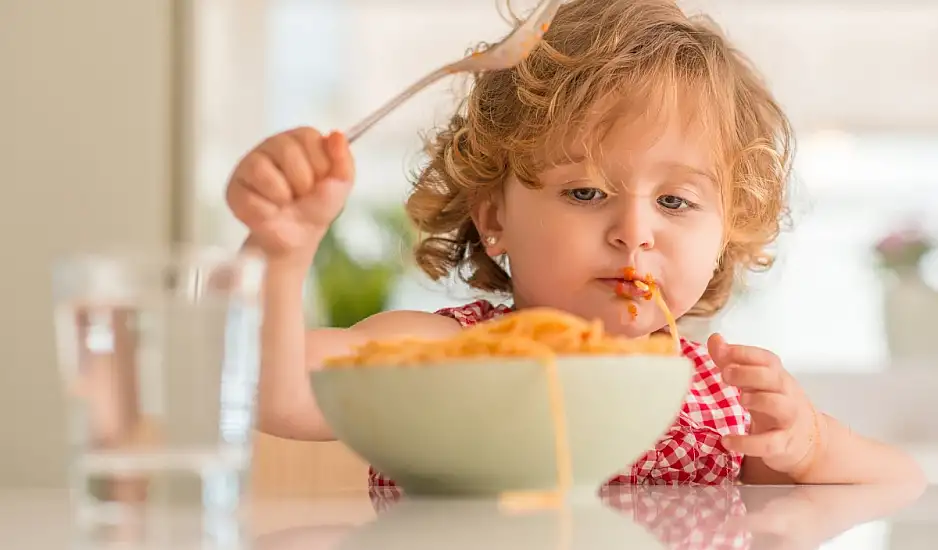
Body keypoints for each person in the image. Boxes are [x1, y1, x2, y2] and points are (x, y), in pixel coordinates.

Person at [225, 0, 924, 487]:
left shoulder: (719, 397)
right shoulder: (444, 361)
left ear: (725, 234)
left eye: (676, 201)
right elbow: (270, 390)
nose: (635, 231)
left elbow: (902, 482)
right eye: (586, 193)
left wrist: (809, 448)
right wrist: (280, 254)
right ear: (493, 216)